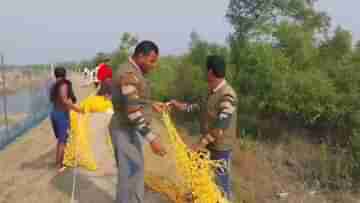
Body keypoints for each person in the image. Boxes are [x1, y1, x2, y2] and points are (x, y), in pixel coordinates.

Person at [170, 55, 238, 201]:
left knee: (220, 184)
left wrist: (201, 144)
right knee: (198, 178)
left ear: (210, 72)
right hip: (207, 144)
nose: (204, 73)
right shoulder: (210, 91)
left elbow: (221, 126)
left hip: (220, 147)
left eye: (206, 70)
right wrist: (178, 105)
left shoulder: (228, 95)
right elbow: (197, 107)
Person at [110, 40, 167, 203]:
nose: (153, 65)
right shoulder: (128, 74)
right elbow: (133, 113)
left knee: (136, 169)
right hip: (123, 130)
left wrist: (151, 104)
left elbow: (134, 99)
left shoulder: (134, 72)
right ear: (140, 56)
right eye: (151, 61)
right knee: (129, 174)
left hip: (129, 129)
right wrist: (152, 139)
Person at [50, 67, 83, 172]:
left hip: (55, 113)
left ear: (56, 75)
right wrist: (77, 109)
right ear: (64, 74)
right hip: (61, 115)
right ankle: (59, 165)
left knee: (61, 139)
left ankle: (59, 161)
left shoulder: (54, 85)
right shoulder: (63, 84)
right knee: (62, 140)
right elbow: (64, 99)